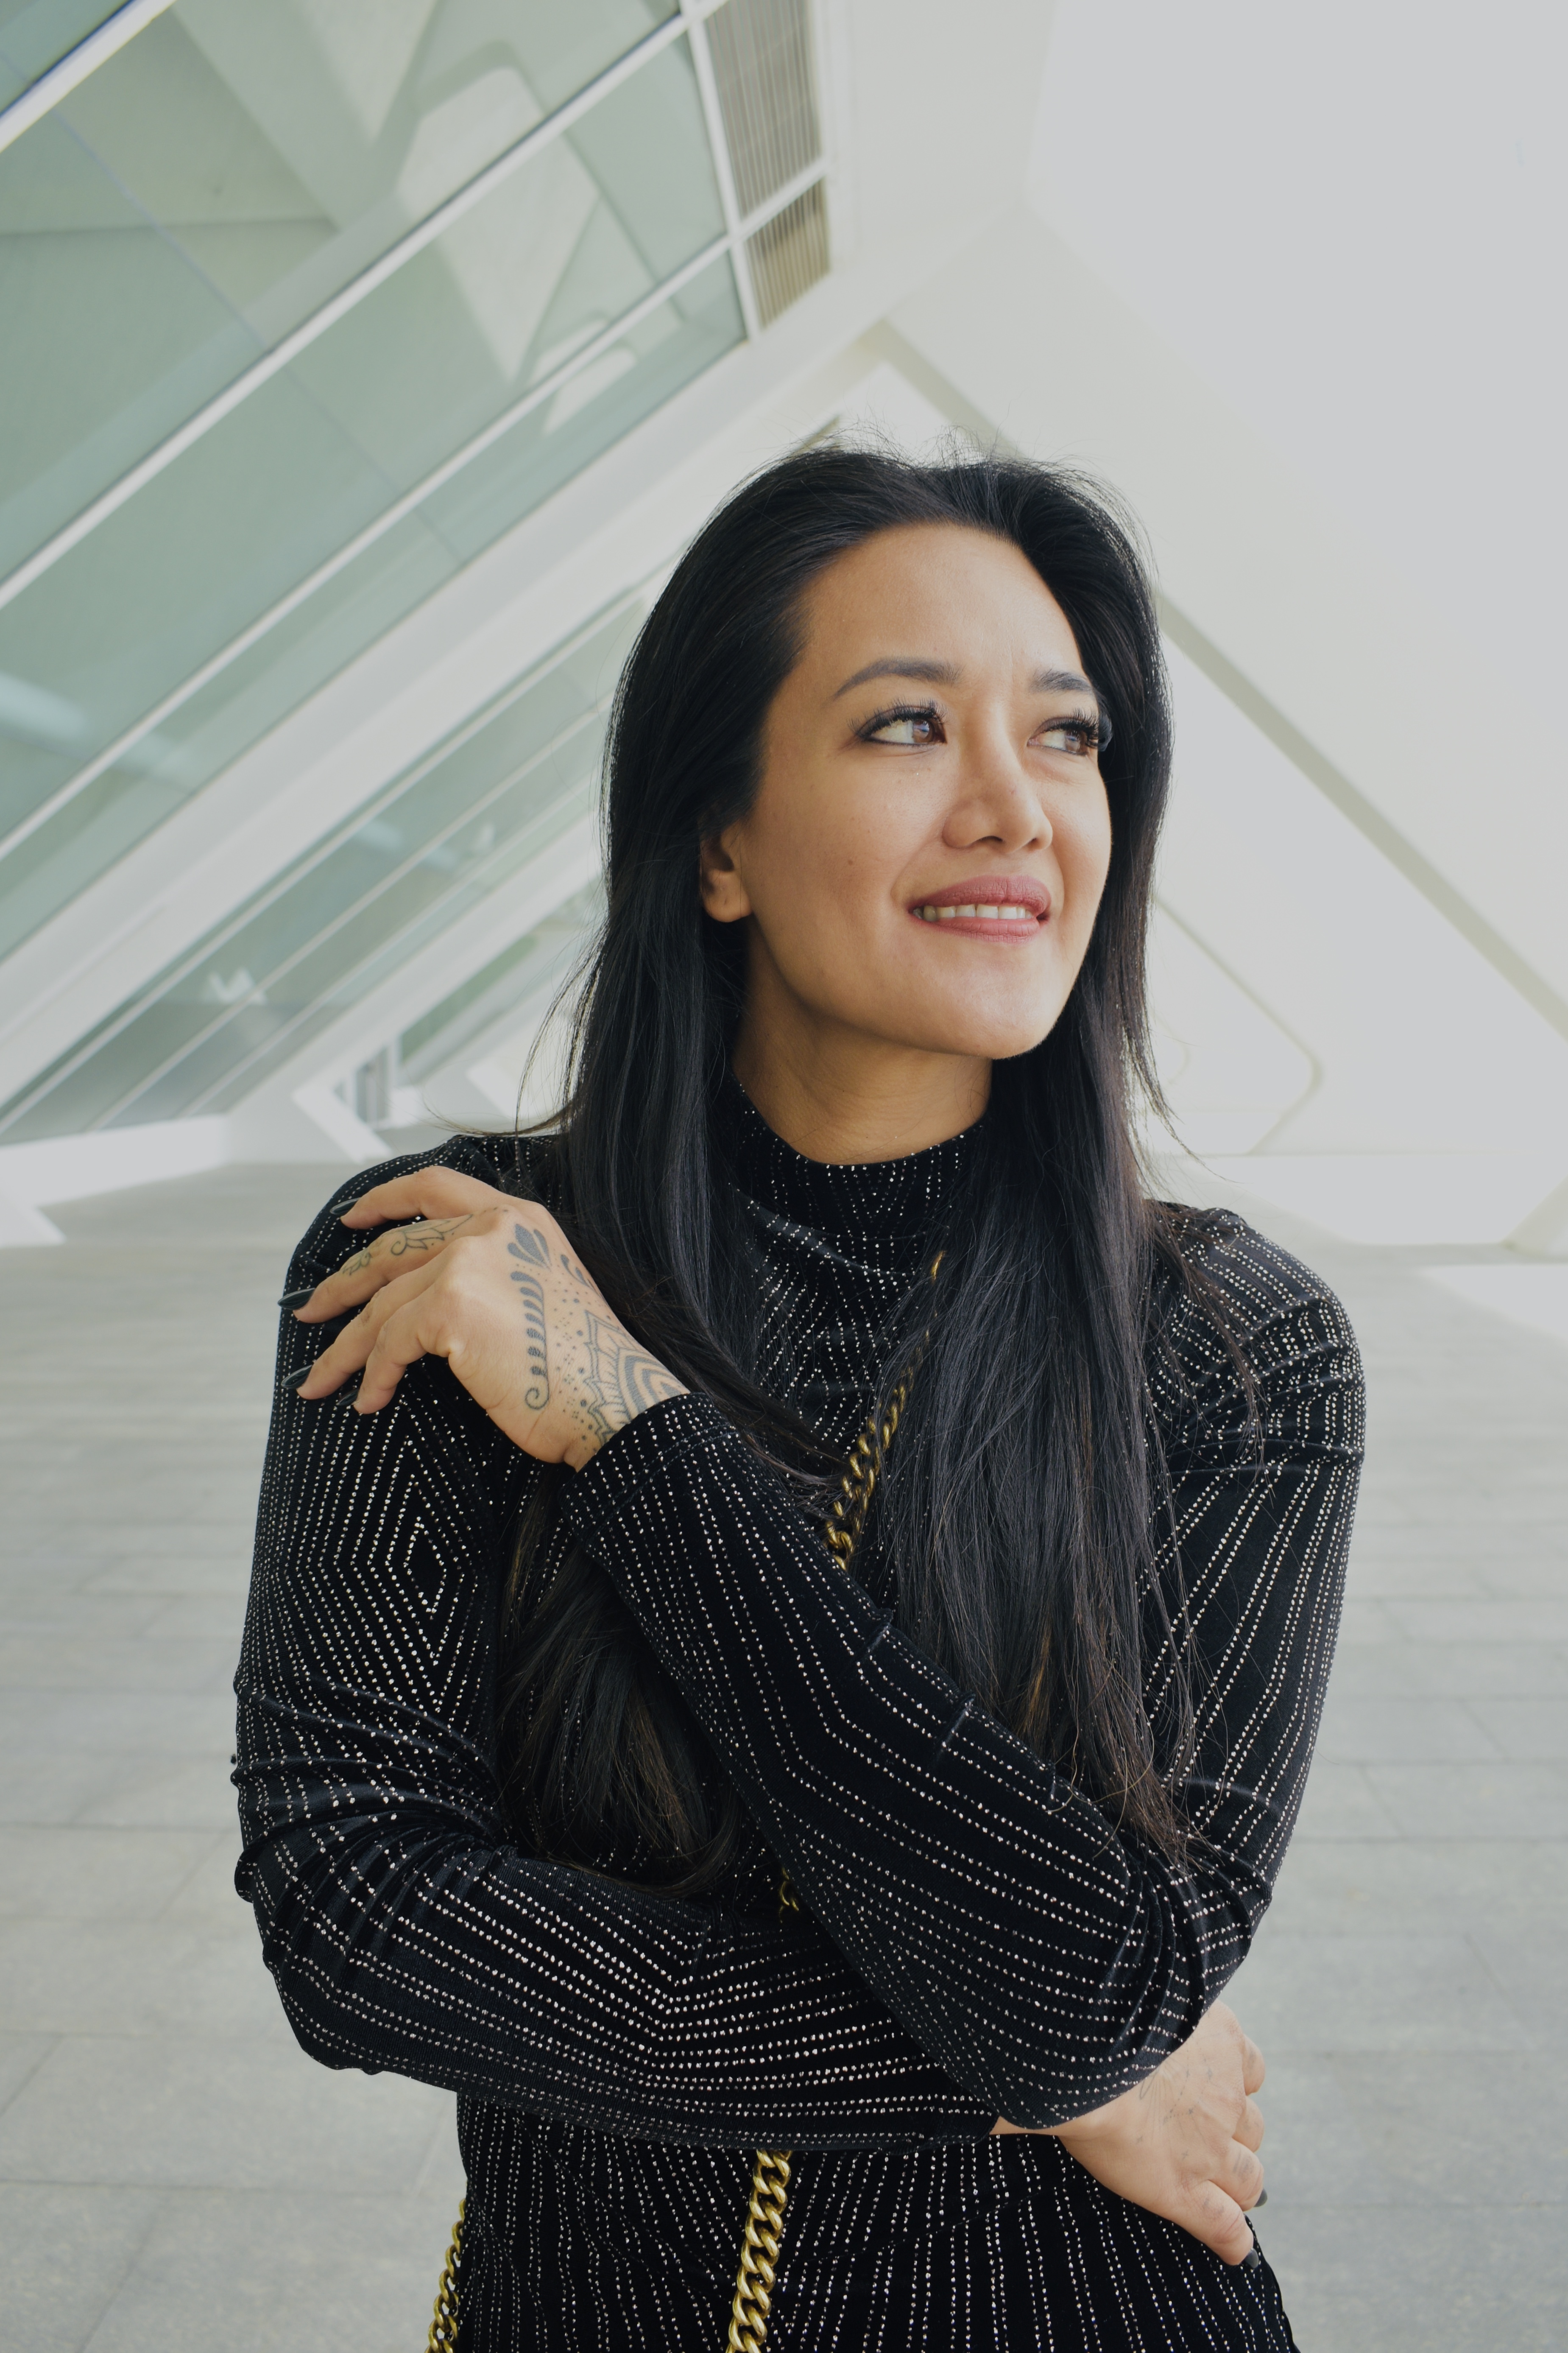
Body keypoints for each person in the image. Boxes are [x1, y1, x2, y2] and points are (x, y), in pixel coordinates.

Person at [235, 446, 1362, 2352]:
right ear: (717, 842)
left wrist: (626, 1427)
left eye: (1069, 736)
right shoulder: (451, 1258)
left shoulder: (1236, 1349)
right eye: (907, 724)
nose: (1014, 805)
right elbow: (356, 1917)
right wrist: (1046, 2076)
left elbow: (1112, 1985)